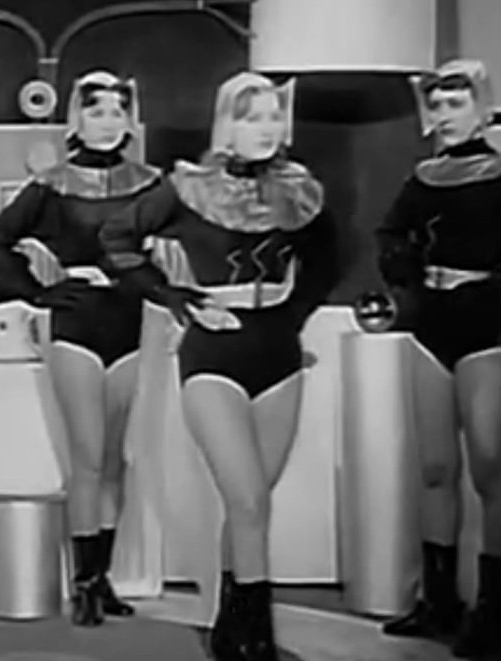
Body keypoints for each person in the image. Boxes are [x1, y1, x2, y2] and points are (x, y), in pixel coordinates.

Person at [98, 72, 339, 660]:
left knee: (250, 506)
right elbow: (117, 239)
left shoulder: (299, 191)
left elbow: (328, 263)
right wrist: (175, 298)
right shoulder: (187, 189)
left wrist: (293, 315)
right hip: (213, 354)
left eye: (273, 116)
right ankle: (258, 638)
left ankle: (233, 624)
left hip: (277, 353)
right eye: (251, 117)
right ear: (226, 124)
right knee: (249, 500)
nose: (266, 128)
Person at [376, 59, 501, 658]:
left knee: (488, 465)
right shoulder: (423, 179)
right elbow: (390, 233)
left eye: (456, 104)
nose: (444, 115)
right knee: (436, 467)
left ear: (480, 110)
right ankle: (439, 601)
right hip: (431, 320)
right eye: (437, 105)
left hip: (484, 322)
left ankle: (491, 611)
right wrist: (406, 271)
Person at [0, 70, 161, 626]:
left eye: (116, 110)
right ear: (77, 119)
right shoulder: (53, 184)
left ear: (129, 119)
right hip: (77, 319)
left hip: (129, 318)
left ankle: (101, 577)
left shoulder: (152, 183)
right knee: (86, 458)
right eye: (96, 110)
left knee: (115, 461)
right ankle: (83, 584)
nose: (107, 121)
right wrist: (35, 291)